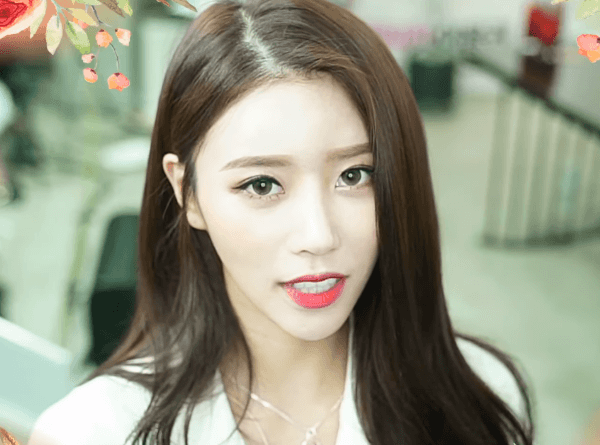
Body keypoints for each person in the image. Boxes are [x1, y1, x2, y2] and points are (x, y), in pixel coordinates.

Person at [27, 0, 535, 444]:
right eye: (262, 185)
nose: (319, 236)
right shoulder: (93, 431)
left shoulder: (481, 397)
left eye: (354, 175)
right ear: (188, 193)